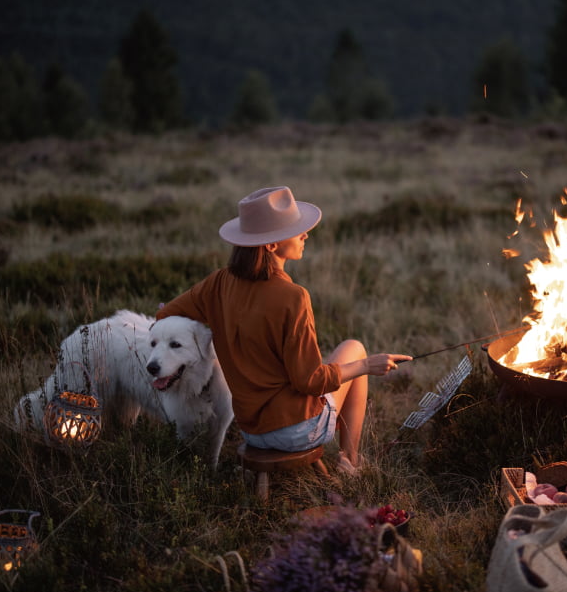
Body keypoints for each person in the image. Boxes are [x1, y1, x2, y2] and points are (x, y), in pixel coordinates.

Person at [156, 186, 411, 474]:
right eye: (297, 230)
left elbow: (165, 313)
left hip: (252, 430)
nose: (305, 235)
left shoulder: (218, 283)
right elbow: (311, 381)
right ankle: (349, 462)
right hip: (296, 432)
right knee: (355, 349)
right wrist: (366, 366)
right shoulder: (293, 297)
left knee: (341, 360)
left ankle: (348, 461)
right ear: (271, 245)